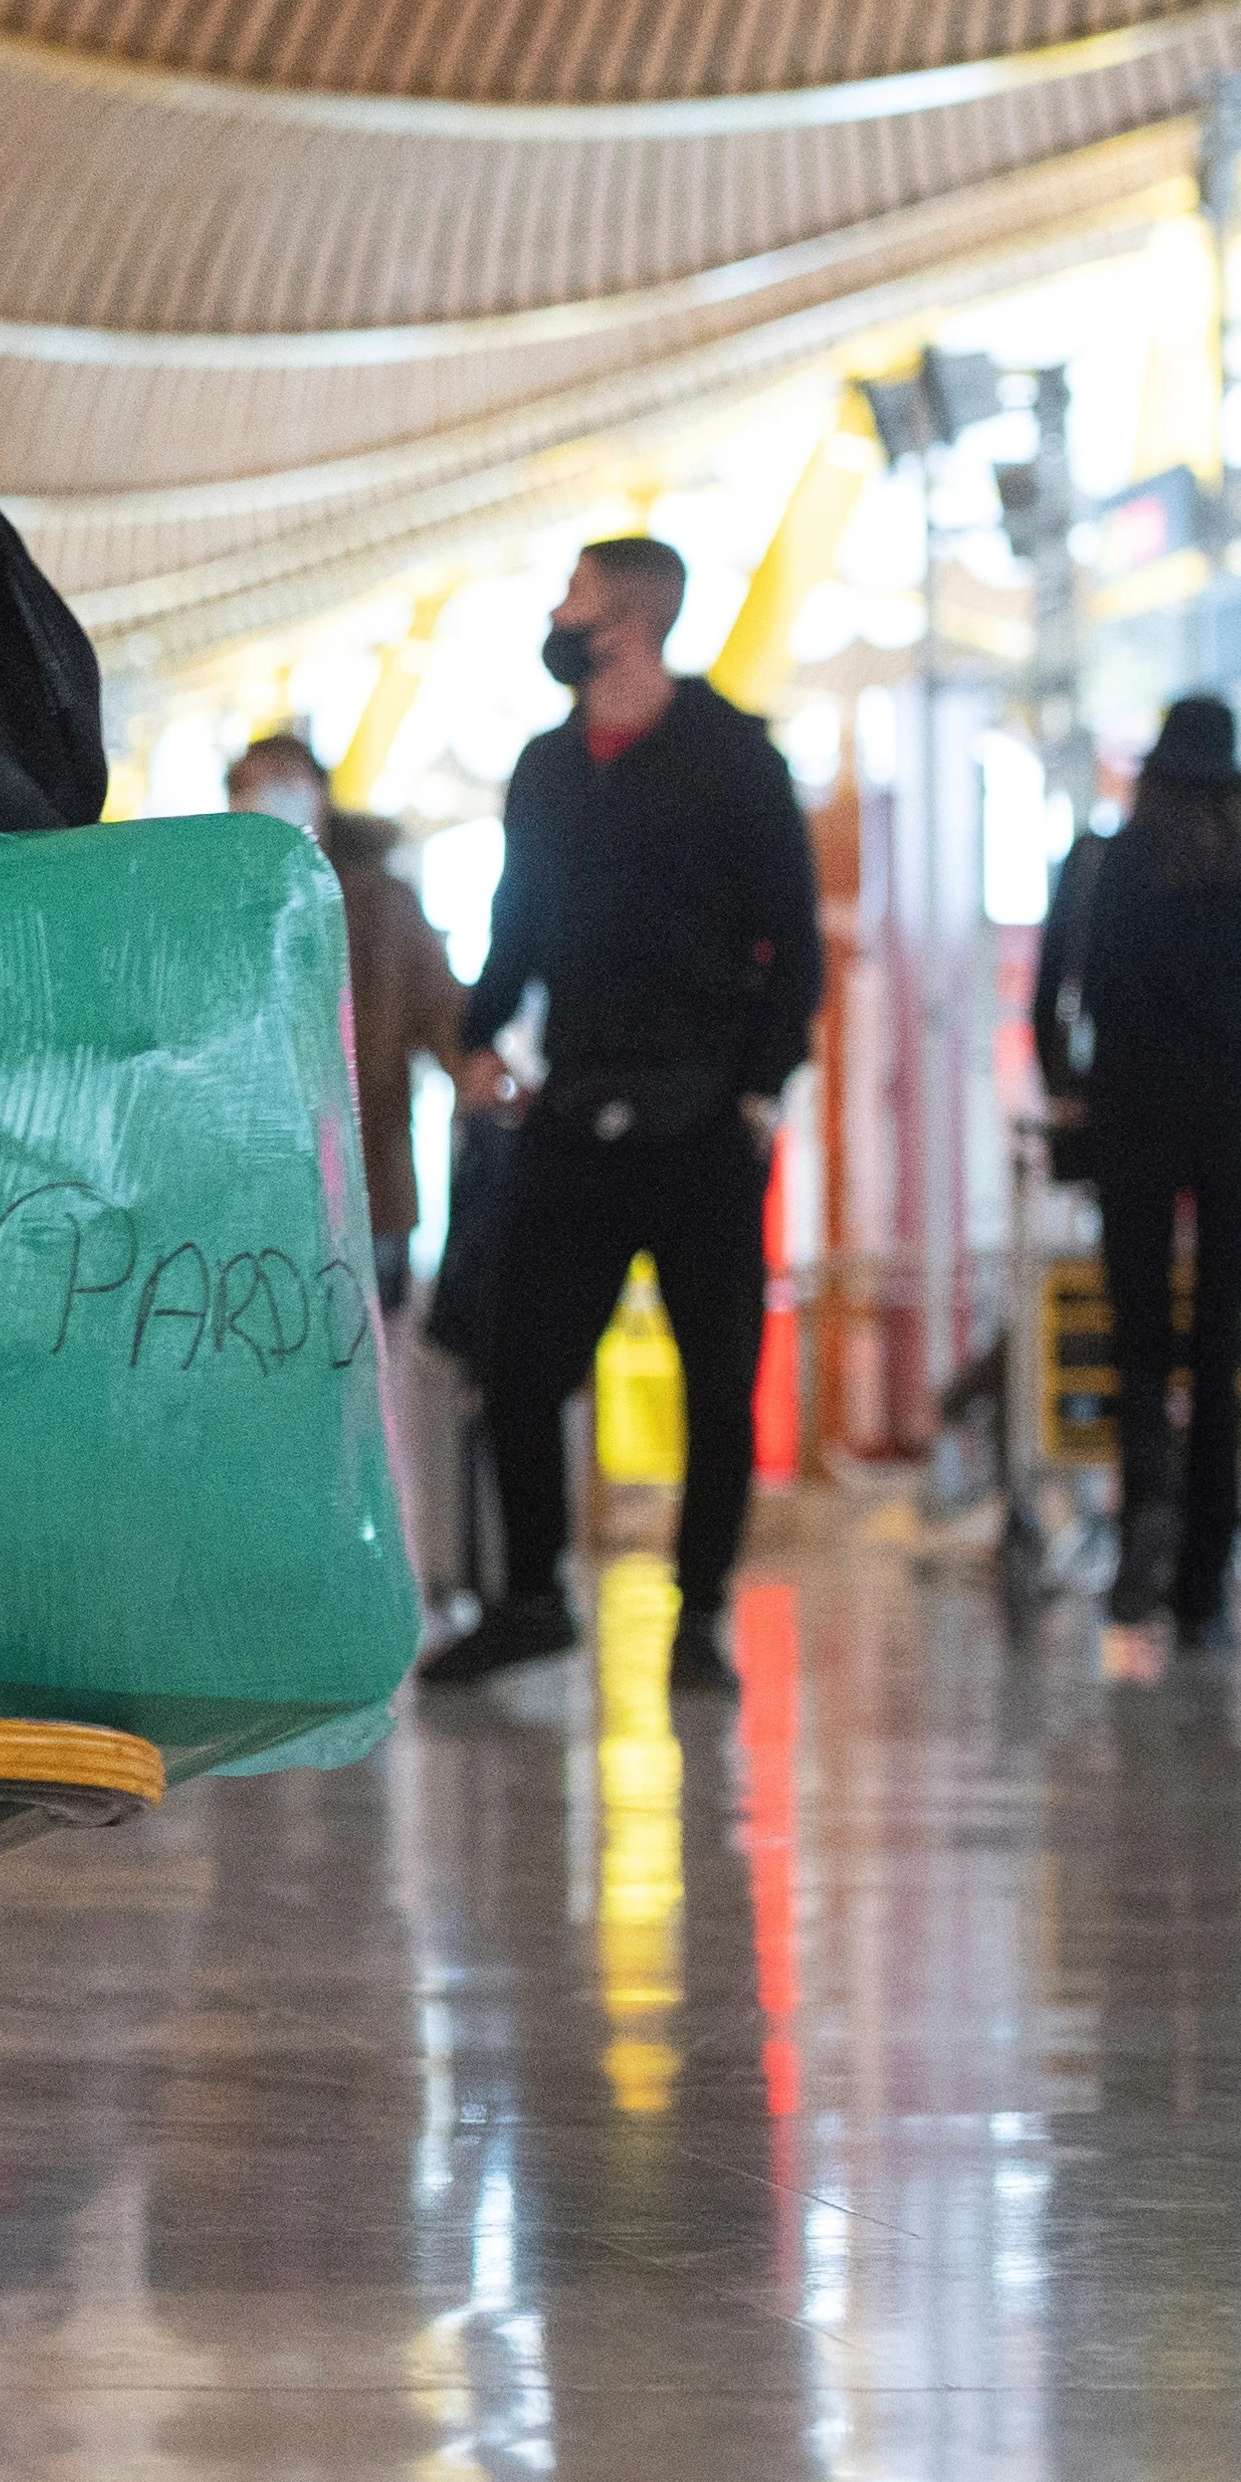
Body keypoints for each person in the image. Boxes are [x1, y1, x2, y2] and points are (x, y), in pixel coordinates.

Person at [417, 537, 824, 1704]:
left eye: (575, 598)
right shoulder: (547, 768)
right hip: (575, 1102)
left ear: (629, 621)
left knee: (718, 1377)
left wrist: (758, 1086)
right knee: (518, 1362)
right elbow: (520, 924)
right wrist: (477, 1035)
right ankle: (531, 1598)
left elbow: (788, 938)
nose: (556, 614)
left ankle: (699, 1616)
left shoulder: (735, 756)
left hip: (702, 1118)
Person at [1035, 697, 1241, 1644]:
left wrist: (1064, 1085)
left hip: (1129, 1117)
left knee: (1140, 1339)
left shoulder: (1104, 866)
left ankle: (1146, 1503)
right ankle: (1203, 1580)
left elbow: (1050, 993)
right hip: (1233, 1123)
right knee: (1220, 1342)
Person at [226, 731, 466, 1306]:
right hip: (252, 1186)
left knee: (372, 1352)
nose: (273, 796)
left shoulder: (382, 898)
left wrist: (474, 1068)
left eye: (288, 780)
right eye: (255, 784)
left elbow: (440, 1007)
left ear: (321, 795)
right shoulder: (219, 904)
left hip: (370, 1177)